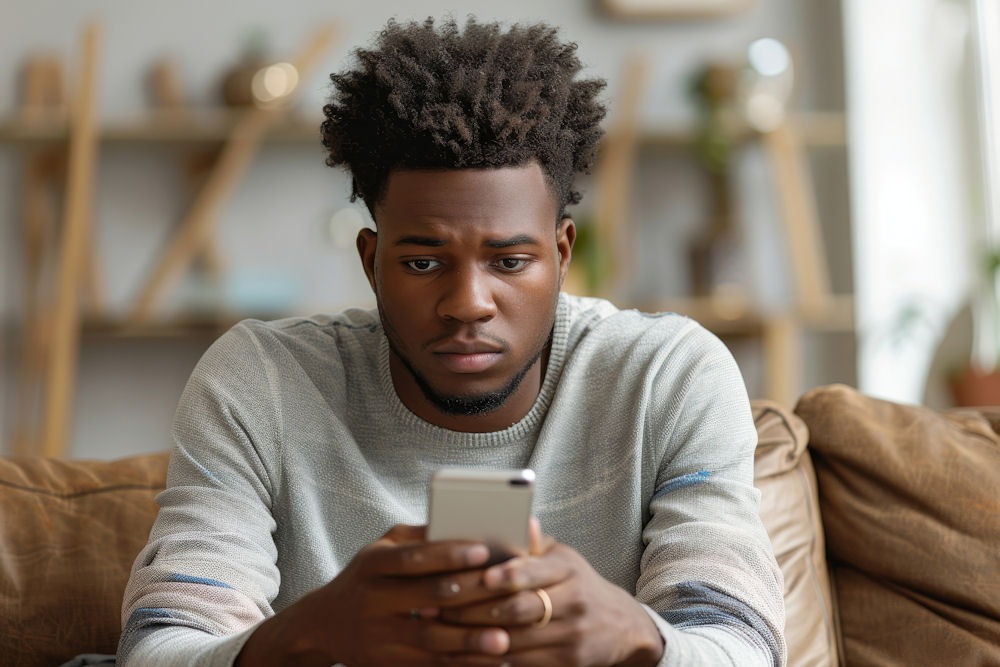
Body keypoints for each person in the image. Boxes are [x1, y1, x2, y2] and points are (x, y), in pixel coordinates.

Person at [119, 16, 785, 667]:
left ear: (561, 253)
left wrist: (638, 636)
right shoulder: (259, 381)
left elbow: (742, 643)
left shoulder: (667, 377)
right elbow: (161, 645)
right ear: (370, 261)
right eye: (422, 261)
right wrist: (311, 634)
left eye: (510, 260)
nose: (468, 303)